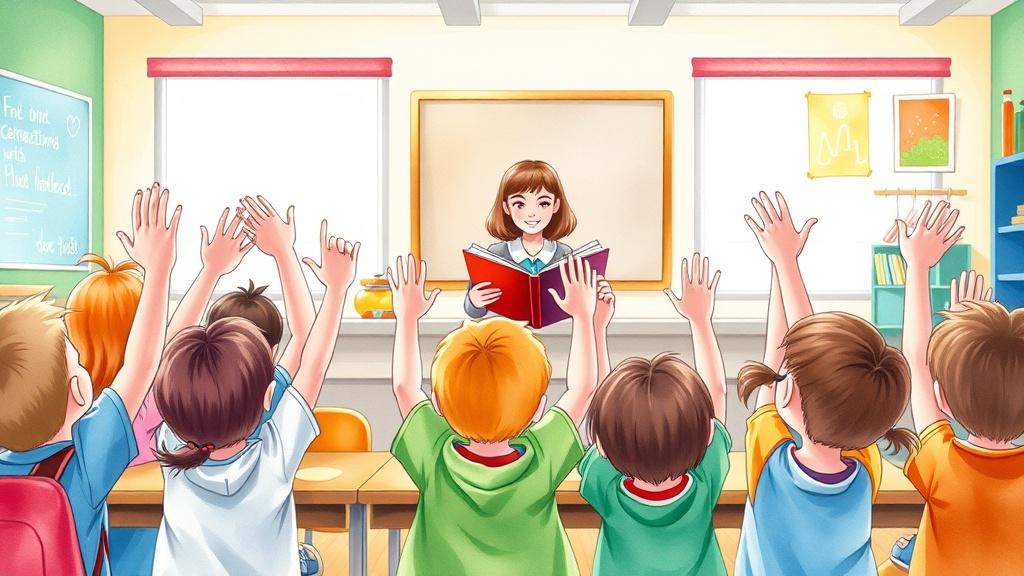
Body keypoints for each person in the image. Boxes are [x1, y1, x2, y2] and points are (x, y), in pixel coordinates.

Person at [150, 221, 359, 575]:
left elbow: (164, 355)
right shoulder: (275, 455)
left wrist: (210, 270)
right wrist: (334, 289)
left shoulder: (171, 450)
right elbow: (312, 360)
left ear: (171, 400)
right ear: (268, 394)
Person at [0, 182, 181, 575]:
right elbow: (140, 365)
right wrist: (159, 269)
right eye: (76, 358)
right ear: (79, 390)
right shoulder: (84, 461)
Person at [734, 191, 916, 575]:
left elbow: (787, 352)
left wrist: (783, 263)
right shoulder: (866, 465)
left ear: (791, 393)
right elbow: (812, 360)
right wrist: (784, 264)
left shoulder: (768, 460)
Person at [390, 253, 599, 575]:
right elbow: (583, 388)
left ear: (438, 404)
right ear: (538, 409)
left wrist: (406, 317)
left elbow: (405, 387)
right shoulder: (544, 454)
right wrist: (584, 317)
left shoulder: (433, 452)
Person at [580, 253, 732, 575]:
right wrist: (700, 320)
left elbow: (600, 414)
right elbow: (717, 392)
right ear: (708, 434)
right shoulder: (707, 476)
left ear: (602, 446)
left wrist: (596, 328)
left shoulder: (604, 482)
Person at [465, 159, 578, 317]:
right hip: (508, 330)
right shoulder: (494, 254)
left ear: (556, 206)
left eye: (543, 203)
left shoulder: (565, 254)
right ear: (507, 207)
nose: (531, 213)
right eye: (520, 204)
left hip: (555, 329)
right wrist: (474, 301)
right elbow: (473, 311)